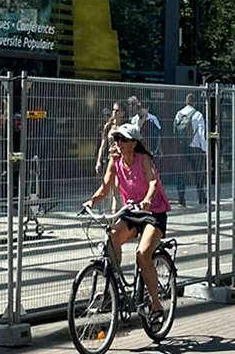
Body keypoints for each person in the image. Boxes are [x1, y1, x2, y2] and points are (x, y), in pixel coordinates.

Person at [83, 123, 170, 320]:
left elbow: (153, 182)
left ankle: (156, 305)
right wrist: (92, 200)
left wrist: (147, 199)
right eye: (116, 139)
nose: (118, 143)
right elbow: (105, 188)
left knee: (142, 253)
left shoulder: (143, 159)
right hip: (132, 211)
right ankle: (112, 291)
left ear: (133, 142)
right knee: (112, 238)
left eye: (123, 139)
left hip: (153, 212)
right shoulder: (115, 162)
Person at [173, 93, 208, 208]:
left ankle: (181, 198)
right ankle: (201, 197)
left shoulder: (178, 115)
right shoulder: (198, 115)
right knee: (198, 173)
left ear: (185, 102)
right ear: (195, 103)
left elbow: (174, 133)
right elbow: (202, 134)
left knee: (181, 174)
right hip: (195, 149)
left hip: (182, 148)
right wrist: (205, 150)